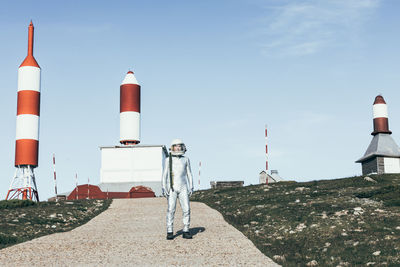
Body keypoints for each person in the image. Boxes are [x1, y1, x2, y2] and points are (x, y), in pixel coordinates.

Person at [161, 139, 194, 240]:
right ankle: (170, 230)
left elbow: (189, 173)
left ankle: (186, 230)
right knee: (171, 209)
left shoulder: (186, 159)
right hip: (172, 187)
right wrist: (164, 186)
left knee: (187, 209)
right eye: (176, 146)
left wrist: (191, 186)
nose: (178, 148)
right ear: (172, 147)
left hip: (184, 187)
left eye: (180, 146)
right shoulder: (168, 160)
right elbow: (165, 174)